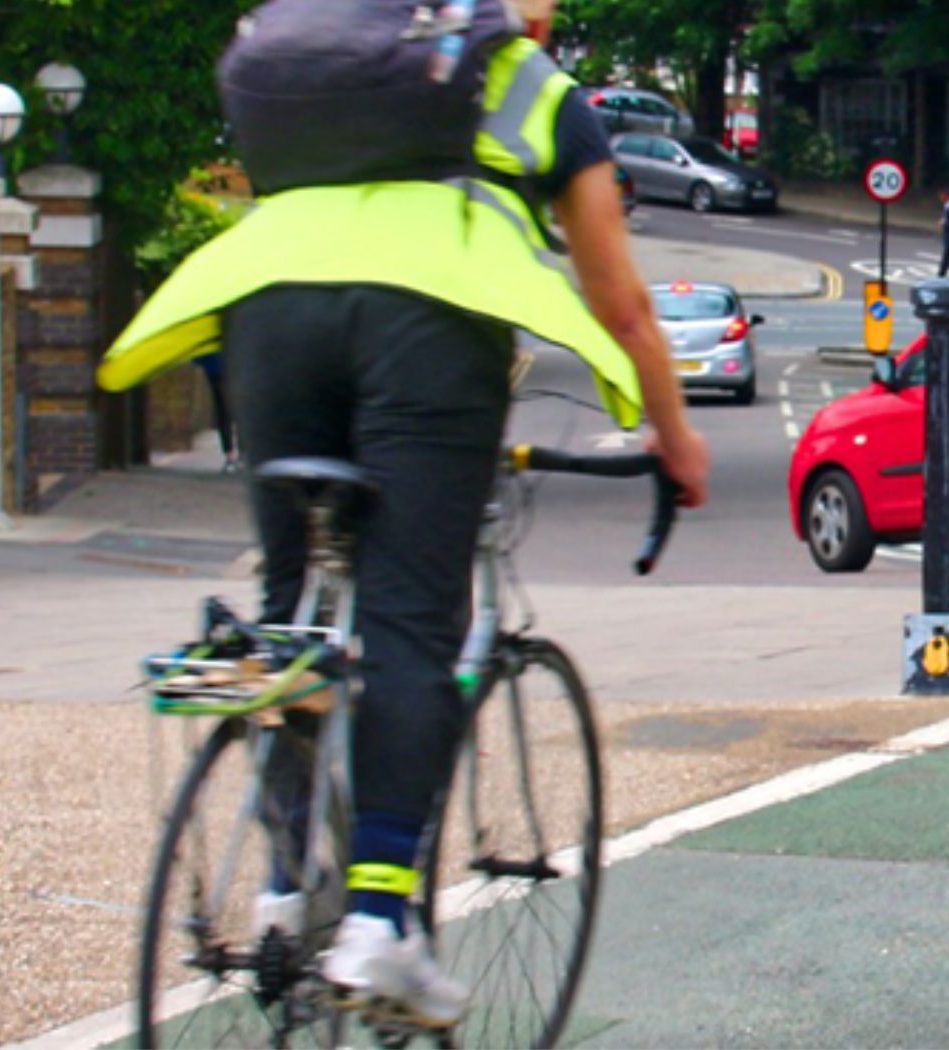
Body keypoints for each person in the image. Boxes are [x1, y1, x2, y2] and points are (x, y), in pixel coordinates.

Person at [98, 0, 708, 1025]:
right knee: (410, 618)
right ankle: (382, 917)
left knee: (292, 615)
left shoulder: (332, 68)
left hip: (268, 306)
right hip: (426, 317)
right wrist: (675, 443)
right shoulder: (536, 88)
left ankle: (288, 889)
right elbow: (622, 305)